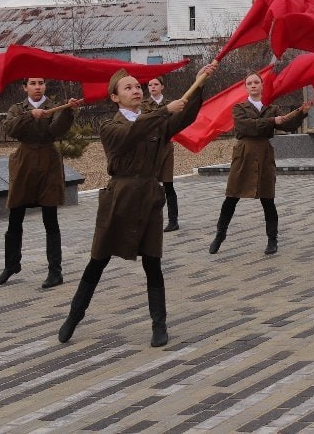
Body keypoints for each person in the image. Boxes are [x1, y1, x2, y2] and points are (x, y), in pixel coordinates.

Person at [58, 62, 217, 347]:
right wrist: (163, 111)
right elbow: (132, 135)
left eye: (138, 87)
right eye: (128, 88)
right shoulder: (110, 126)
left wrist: (200, 83)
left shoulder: (155, 119)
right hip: (119, 198)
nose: (136, 91)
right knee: (98, 260)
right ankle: (74, 315)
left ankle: (159, 324)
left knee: (153, 262)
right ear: (114, 97)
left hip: (148, 197)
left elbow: (186, 116)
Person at [209, 72, 314, 255]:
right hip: (244, 155)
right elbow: (246, 126)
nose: (253, 85)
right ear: (245, 87)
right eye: (249, 83)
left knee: (268, 199)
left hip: (264, 155)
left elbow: (287, 126)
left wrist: (301, 113)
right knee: (231, 197)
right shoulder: (239, 108)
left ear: (262, 85)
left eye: (256, 82)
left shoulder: (271, 108)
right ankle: (220, 234)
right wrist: (271, 121)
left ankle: (272, 239)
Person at [0, 78, 82, 288]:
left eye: (41, 83)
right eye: (32, 83)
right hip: (24, 164)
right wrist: (29, 115)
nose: (37, 87)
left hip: (48, 164)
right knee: (16, 216)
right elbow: (10, 129)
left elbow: (57, 131)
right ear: (25, 87)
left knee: (50, 218)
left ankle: (55, 272)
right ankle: (11, 265)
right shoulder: (17, 109)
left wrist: (68, 111)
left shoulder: (53, 107)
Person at [141, 76, 180, 232]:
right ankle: (149, 219)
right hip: (149, 148)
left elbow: (174, 123)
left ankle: (173, 220)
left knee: (168, 184)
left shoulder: (171, 104)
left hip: (165, 146)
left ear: (162, 86)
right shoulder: (143, 105)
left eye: (156, 84)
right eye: (150, 84)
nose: (152, 87)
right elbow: (145, 122)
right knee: (149, 184)